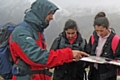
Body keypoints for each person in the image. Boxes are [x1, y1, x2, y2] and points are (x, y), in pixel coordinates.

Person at [8, 0, 89, 80]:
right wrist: (69, 54)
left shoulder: (37, 32)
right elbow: (37, 57)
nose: (52, 17)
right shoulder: (21, 32)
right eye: (50, 14)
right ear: (41, 13)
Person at [87, 12, 120, 80]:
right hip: (94, 73)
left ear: (107, 28)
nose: (99, 33)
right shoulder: (93, 38)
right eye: (97, 31)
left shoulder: (115, 40)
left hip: (108, 76)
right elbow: (88, 52)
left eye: (102, 31)